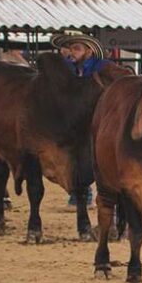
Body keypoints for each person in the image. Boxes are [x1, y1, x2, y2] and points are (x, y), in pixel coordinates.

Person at [51, 30, 109, 208]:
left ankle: (90, 195)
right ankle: (81, 193)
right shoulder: (73, 68)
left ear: (89, 51)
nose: (72, 52)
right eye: (70, 48)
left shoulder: (102, 67)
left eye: (77, 48)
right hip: (81, 119)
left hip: (99, 119)